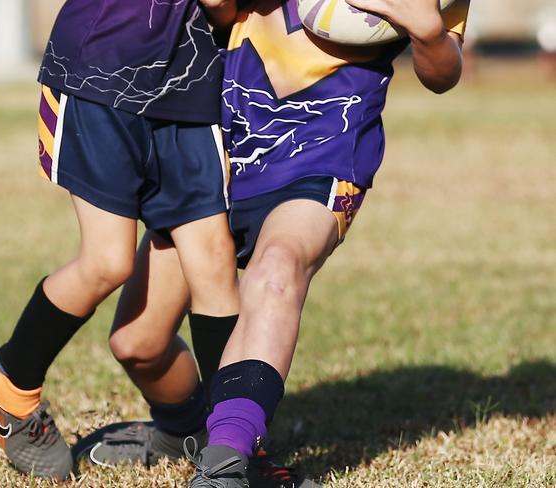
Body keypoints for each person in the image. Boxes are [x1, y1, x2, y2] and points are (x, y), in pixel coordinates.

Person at [105, 0, 471, 486]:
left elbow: (443, 74)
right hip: (219, 139)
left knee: (278, 267)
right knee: (137, 342)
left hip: (324, 145)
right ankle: (182, 429)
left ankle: (230, 459)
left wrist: (427, 33)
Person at [0, 0, 241, 480]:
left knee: (214, 262)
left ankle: (227, 444)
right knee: (107, 260)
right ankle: (10, 385)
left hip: (190, 88)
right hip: (100, 75)